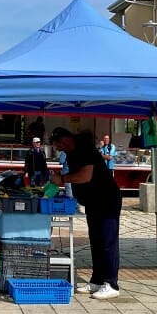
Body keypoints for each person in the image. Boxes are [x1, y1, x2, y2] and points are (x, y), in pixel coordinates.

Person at [49, 127, 122, 300]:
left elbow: (85, 176)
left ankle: (111, 283)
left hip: (106, 200)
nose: (57, 148)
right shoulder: (72, 153)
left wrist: (63, 179)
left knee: (107, 241)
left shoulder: (85, 149)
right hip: (92, 202)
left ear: (66, 139)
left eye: (58, 144)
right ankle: (97, 280)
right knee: (96, 241)